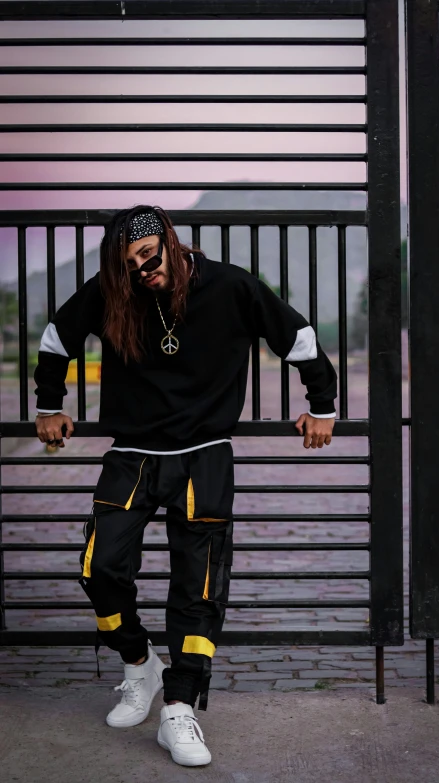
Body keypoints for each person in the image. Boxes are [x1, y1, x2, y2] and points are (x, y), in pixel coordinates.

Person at [34, 205, 337, 767]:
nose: (142, 270)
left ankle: (179, 706)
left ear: (170, 243)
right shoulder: (110, 292)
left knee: (197, 586)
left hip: (203, 458)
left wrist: (321, 405)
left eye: (148, 256)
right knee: (98, 570)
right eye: (129, 265)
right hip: (132, 455)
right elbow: (57, 339)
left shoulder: (229, 285)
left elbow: (296, 337)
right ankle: (137, 663)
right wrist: (49, 405)